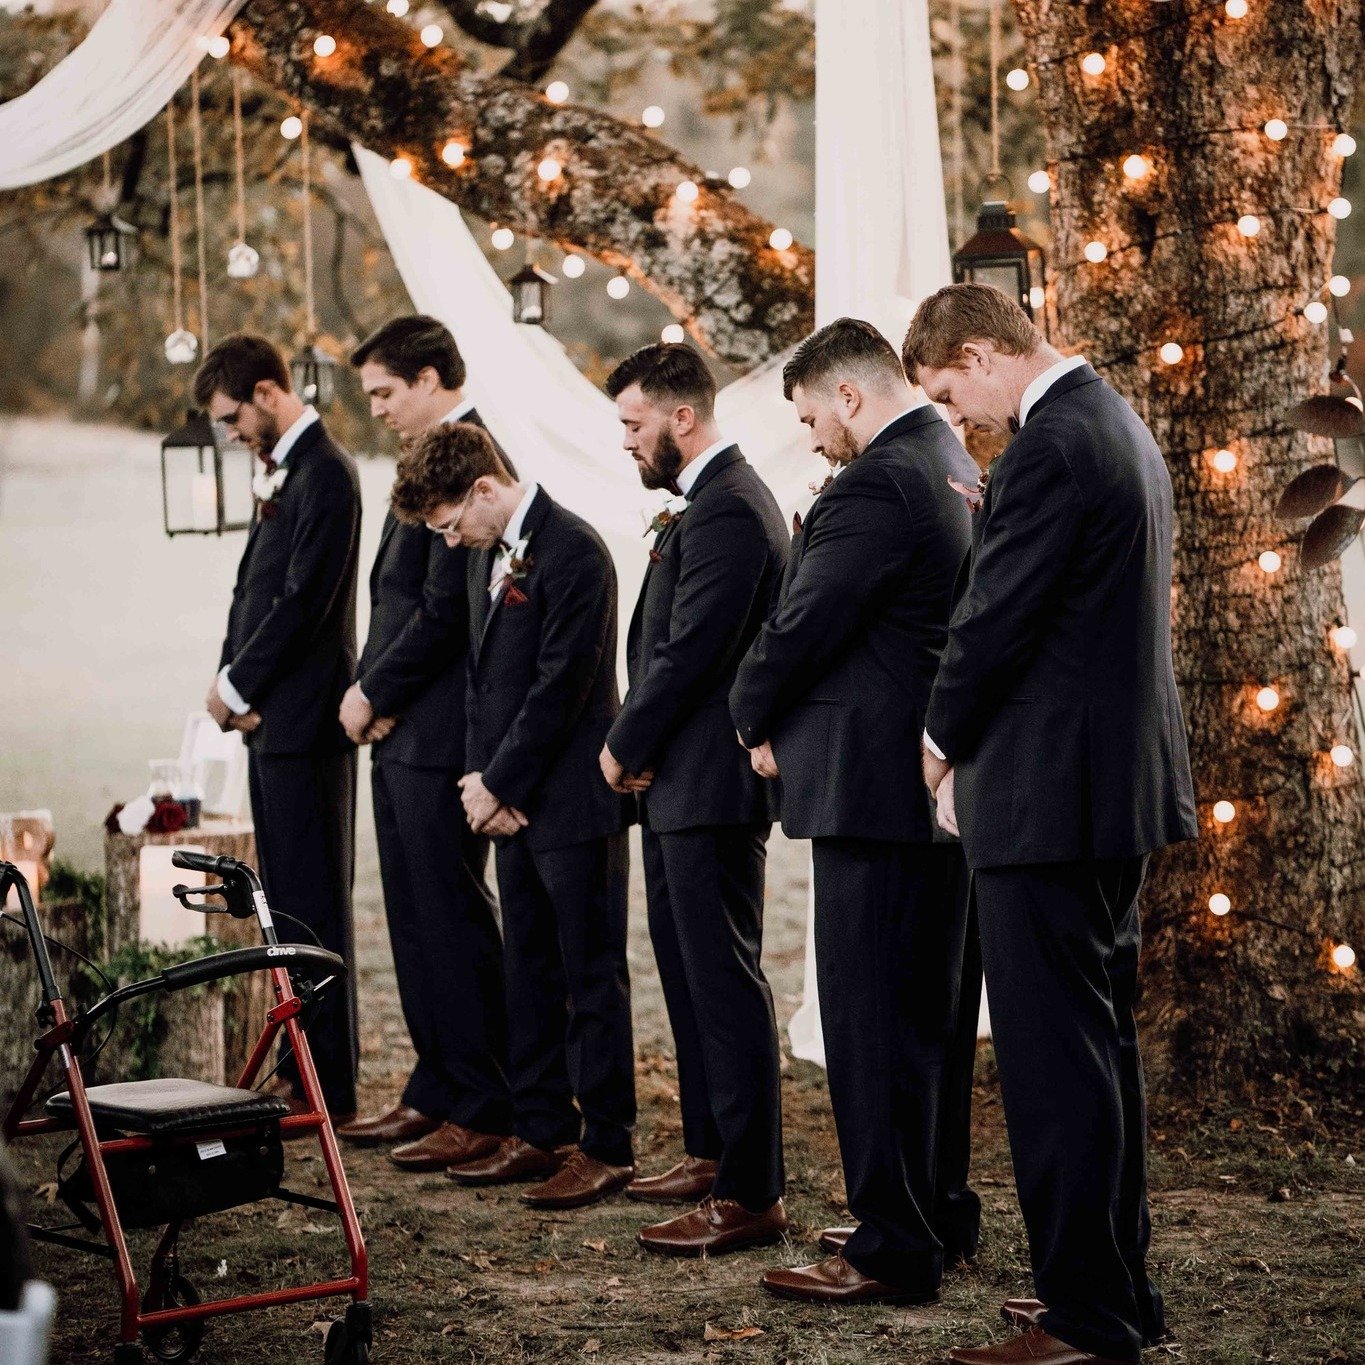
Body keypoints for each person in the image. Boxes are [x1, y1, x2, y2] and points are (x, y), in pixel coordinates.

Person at [904, 284, 1197, 1365]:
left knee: (1051, 1067)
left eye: (950, 393)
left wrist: (934, 741)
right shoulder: (1115, 423)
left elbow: (991, 626)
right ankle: (1119, 1291)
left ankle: (1088, 1315)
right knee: (1097, 1053)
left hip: (1048, 800)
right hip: (1106, 792)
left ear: (981, 356)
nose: (960, 419)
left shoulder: (1050, 447)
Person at [730, 318, 982, 1304]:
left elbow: (803, 624)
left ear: (848, 394)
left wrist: (752, 714)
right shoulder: (955, 459)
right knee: (933, 1020)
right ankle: (934, 1210)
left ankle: (892, 1246)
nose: (811, 438)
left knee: (874, 1025)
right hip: (929, 788)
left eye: (810, 415)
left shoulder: (882, 479)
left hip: (876, 793)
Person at [388, 423, 637, 1211]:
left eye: (450, 522)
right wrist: (476, 777)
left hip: (570, 799)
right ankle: (539, 1126)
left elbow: (564, 685)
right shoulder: (483, 558)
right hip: (507, 800)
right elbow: (479, 681)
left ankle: (606, 1143)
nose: (450, 537)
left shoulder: (575, 551)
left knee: (588, 972)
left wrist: (499, 781)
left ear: (485, 490)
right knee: (527, 965)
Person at [599, 343, 791, 1257]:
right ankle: (713, 1151)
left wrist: (621, 744)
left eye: (634, 424)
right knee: (685, 971)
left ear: (682, 418)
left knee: (723, 980)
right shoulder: (702, 504)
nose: (627, 442)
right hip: (679, 783)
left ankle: (751, 1191)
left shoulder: (728, 509)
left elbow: (691, 653)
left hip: (711, 782)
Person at [333, 316, 514, 1174]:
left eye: (384, 391)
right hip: (400, 730)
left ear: (433, 376)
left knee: (449, 910)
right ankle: (436, 1082)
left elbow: (447, 611)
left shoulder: (478, 464)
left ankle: (482, 1097)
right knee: (410, 912)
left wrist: (373, 691)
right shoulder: (425, 459)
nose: (375, 409)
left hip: (441, 731)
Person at [196, 333, 362, 1122]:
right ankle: (305, 1076)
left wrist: (236, 684)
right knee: (284, 904)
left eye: (232, 417)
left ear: (267, 392)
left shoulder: (328, 472)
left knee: (313, 909)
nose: (229, 434)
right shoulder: (286, 472)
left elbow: (305, 602)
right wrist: (231, 680)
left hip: (305, 724)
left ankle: (330, 1084)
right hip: (272, 723)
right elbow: (252, 592)